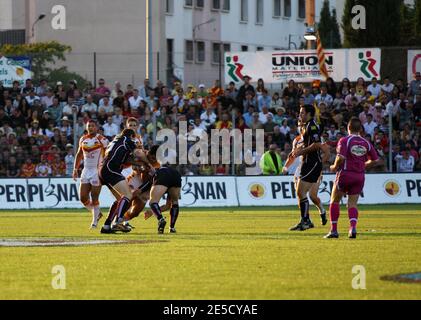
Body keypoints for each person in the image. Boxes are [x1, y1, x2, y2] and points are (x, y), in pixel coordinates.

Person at [325, 118, 380, 239]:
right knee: (353, 203)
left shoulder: (345, 140)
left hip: (345, 174)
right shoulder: (366, 142)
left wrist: (334, 166)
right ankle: (352, 228)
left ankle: (334, 230)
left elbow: (341, 158)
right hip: (359, 176)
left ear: (348, 128)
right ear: (360, 129)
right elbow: (376, 160)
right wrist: (363, 165)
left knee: (334, 201)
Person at [99, 129, 155, 234]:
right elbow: (138, 153)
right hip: (111, 169)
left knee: (120, 199)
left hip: (104, 169)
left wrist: (141, 165)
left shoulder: (116, 141)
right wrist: (149, 164)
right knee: (128, 195)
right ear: (132, 136)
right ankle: (118, 222)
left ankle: (107, 226)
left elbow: (126, 160)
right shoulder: (126, 139)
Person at [283, 121, 329, 225]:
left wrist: (319, 164)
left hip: (313, 168)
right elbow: (293, 155)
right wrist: (286, 166)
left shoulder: (316, 139)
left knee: (312, 196)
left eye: (302, 125)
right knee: (300, 195)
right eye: (299, 125)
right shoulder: (297, 140)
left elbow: (327, 152)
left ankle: (322, 211)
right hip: (301, 168)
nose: (300, 127)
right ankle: (306, 219)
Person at [289, 105, 325, 231]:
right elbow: (308, 143)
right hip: (307, 162)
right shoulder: (305, 126)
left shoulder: (312, 126)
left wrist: (301, 151)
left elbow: (317, 144)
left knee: (301, 192)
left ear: (309, 114)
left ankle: (306, 221)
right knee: (301, 193)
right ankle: (305, 221)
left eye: (302, 113)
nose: (300, 115)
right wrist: (299, 150)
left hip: (313, 163)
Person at [73, 121, 109, 229]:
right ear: (86, 127)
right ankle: (97, 213)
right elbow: (79, 154)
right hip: (86, 170)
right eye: (89, 126)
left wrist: (105, 166)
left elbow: (109, 153)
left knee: (94, 197)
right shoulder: (83, 139)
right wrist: (75, 169)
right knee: (83, 198)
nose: (91, 128)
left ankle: (94, 222)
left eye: (93, 126)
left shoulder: (102, 139)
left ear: (96, 127)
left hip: (96, 171)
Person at [147, 145, 182, 234]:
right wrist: (152, 212)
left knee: (152, 202)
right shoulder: (169, 153)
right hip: (176, 174)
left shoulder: (152, 159)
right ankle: (172, 228)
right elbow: (166, 206)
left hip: (163, 173)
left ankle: (161, 219)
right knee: (174, 202)